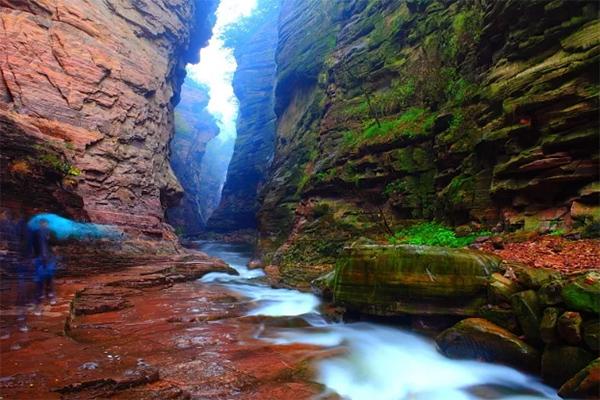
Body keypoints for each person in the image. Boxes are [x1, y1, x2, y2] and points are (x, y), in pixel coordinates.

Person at [29, 218, 57, 315]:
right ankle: (45, 298)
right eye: (42, 223)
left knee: (44, 279)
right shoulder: (37, 233)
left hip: (45, 258)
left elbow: (54, 246)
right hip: (42, 259)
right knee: (42, 280)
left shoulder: (49, 232)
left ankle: (47, 296)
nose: (43, 225)